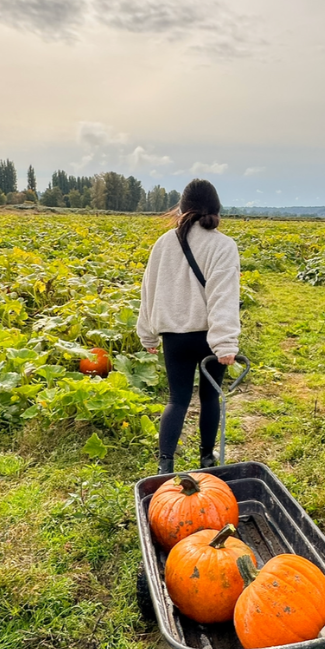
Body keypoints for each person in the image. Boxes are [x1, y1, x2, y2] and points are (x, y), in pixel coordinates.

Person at [136, 179, 240, 473]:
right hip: (208, 338)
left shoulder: (164, 244)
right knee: (210, 397)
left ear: (180, 209)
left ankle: (164, 466)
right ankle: (207, 460)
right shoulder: (223, 246)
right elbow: (224, 296)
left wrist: (147, 332)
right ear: (217, 211)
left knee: (177, 399)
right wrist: (226, 344)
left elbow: (149, 289)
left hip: (174, 337)